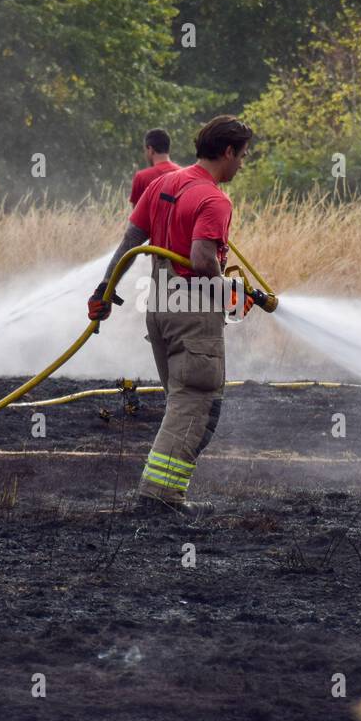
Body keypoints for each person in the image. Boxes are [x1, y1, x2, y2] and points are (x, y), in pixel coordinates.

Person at [89, 115, 254, 516]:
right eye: (242, 156)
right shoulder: (214, 199)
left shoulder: (162, 184)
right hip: (193, 311)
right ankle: (159, 500)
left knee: (181, 402)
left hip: (160, 306)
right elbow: (200, 259)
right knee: (197, 404)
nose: (242, 164)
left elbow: (130, 241)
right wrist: (229, 293)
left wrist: (103, 291)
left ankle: (161, 497)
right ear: (228, 151)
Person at [128, 128, 180, 206]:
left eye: (145, 150)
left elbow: (136, 214)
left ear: (150, 149)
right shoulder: (185, 174)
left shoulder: (141, 177)